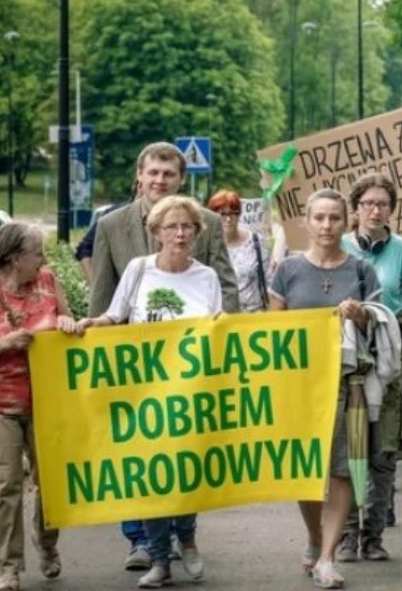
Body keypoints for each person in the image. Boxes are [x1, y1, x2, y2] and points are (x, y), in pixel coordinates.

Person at [88, 142, 239, 571]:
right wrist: (95, 349)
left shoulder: (205, 222)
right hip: (134, 370)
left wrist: (229, 342)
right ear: (140, 175)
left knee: (184, 454)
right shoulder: (112, 225)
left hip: (191, 373)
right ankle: (140, 541)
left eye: (168, 174)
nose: (159, 180)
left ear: (181, 178)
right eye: (153, 173)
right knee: (136, 456)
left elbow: (225, 288)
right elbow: (103, 294)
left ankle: (181, 535)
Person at [73, 196, 224, 588]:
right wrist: (91, 323)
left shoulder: (206, 277)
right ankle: (159, 560)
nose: (179, 233)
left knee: (186, 472)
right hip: (143, 391)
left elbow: (216, 329)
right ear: (155, 232)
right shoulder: (139, 270)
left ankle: (187, 537)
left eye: (187, 227)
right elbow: (115, 315)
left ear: (196, 232)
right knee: (151, 477)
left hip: (190, 394)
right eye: (171, 227)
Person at [268, 188, 381, 589]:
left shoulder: (363, 270)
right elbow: (273, 332)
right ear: (307, 222)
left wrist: (361, 313)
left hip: (347, 385)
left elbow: (379, 327)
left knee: (342, 470)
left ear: (347, 220)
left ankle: (328, 556)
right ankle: (315, 536)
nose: (327, 225)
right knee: (306, 470)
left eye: (335, 217)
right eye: (319, 218)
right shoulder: (288, 271)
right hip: (301, 386)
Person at [0, 223, 75, 591]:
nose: (43, 259)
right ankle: (9, 567)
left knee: (52, 482)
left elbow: (70, 323)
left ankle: (47, 544)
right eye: (37, 253)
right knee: (3, 484)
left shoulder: (48, 282)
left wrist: (67, 322)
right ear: (14, 259)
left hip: (47, 400)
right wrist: (5, 344)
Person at [337, 173, 402, 562]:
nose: (376, 210)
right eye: (368, 203)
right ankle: (345, 535)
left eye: (383, 204)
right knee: (346, 445)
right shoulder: (338, 246)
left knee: (383, 448)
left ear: (392, 210)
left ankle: (373, 536)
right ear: (355, 208)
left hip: (392, 354)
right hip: (346, 355)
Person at [207, 190, 273, 313]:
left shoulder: (256, 241)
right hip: (219, 319)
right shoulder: (206, 245)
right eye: (223, 214)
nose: (228, 219)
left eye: (234, 213)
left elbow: (270, 281)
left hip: (253, 317)